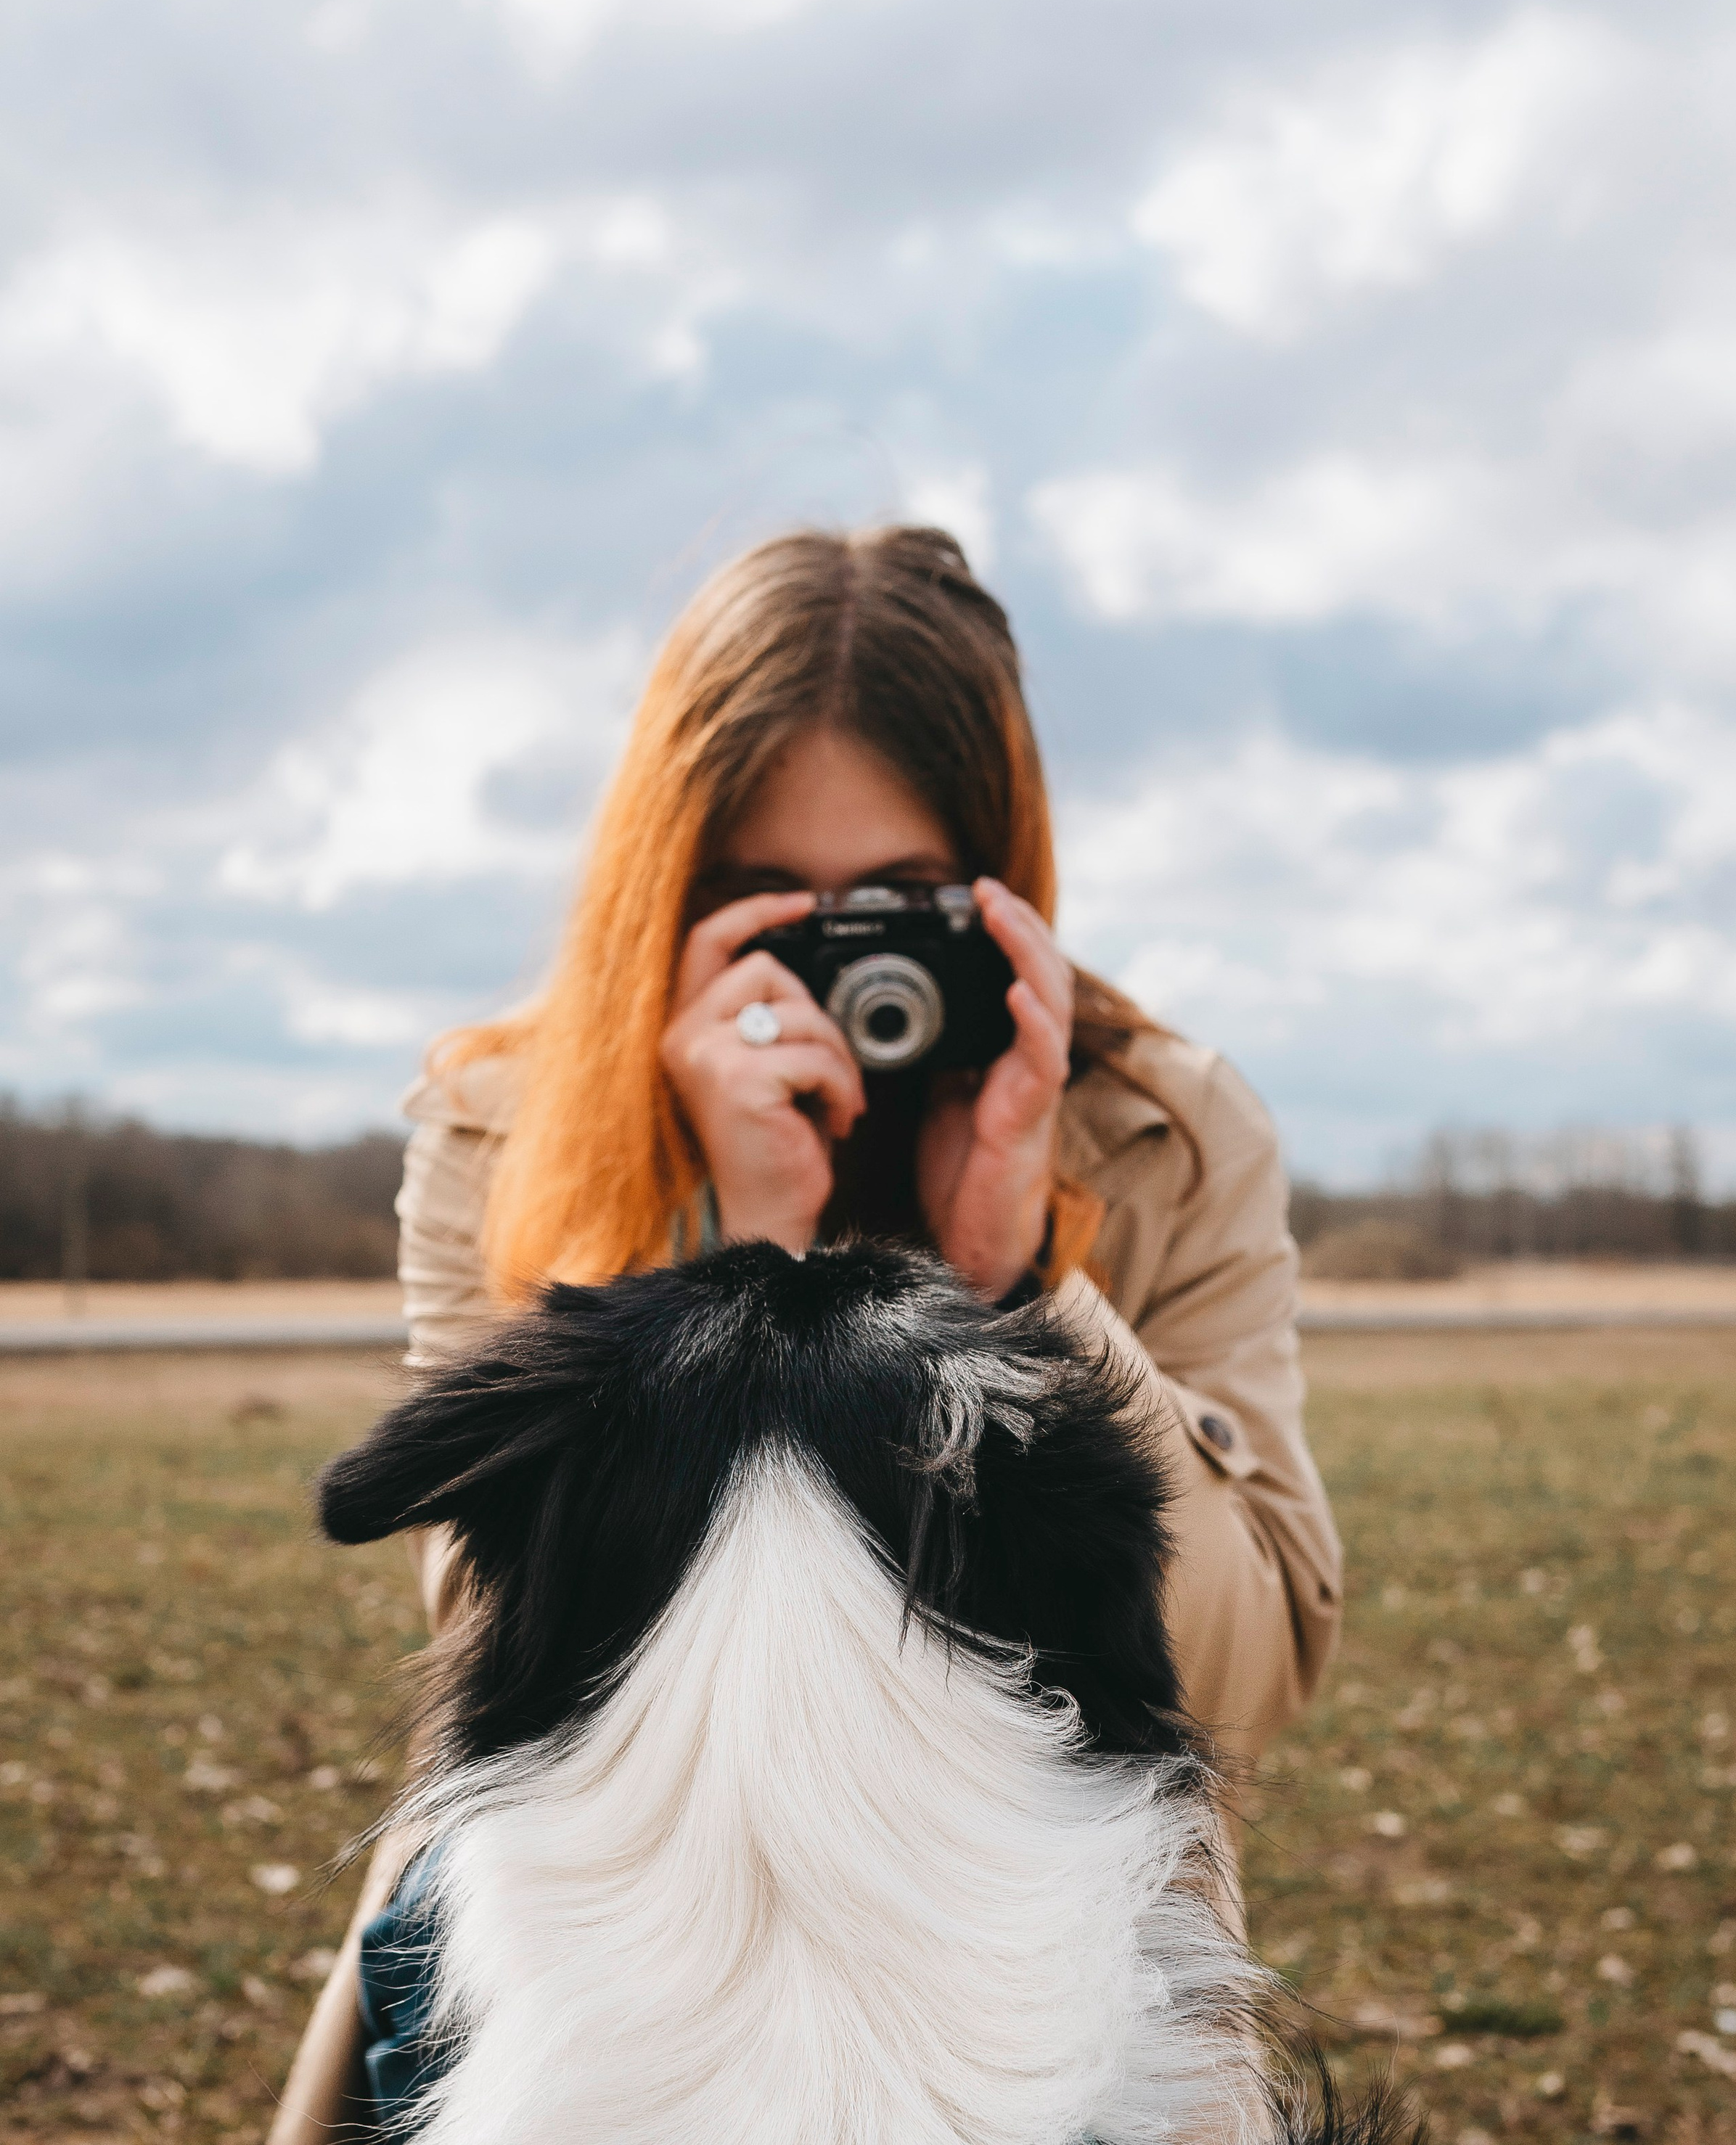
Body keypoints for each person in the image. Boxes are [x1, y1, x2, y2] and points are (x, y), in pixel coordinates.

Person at [268, 525, 1342, 2141]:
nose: (846, 972)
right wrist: (725, 1245)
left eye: (902, 903)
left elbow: (1249, 1661)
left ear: (1001, 874)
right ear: (666, 879)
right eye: (770, 901)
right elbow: (479, 1595)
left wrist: (1020, 1276)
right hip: (627, 1950)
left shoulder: (1157, 1129)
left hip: (1027, 1954)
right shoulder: (515, 1124)